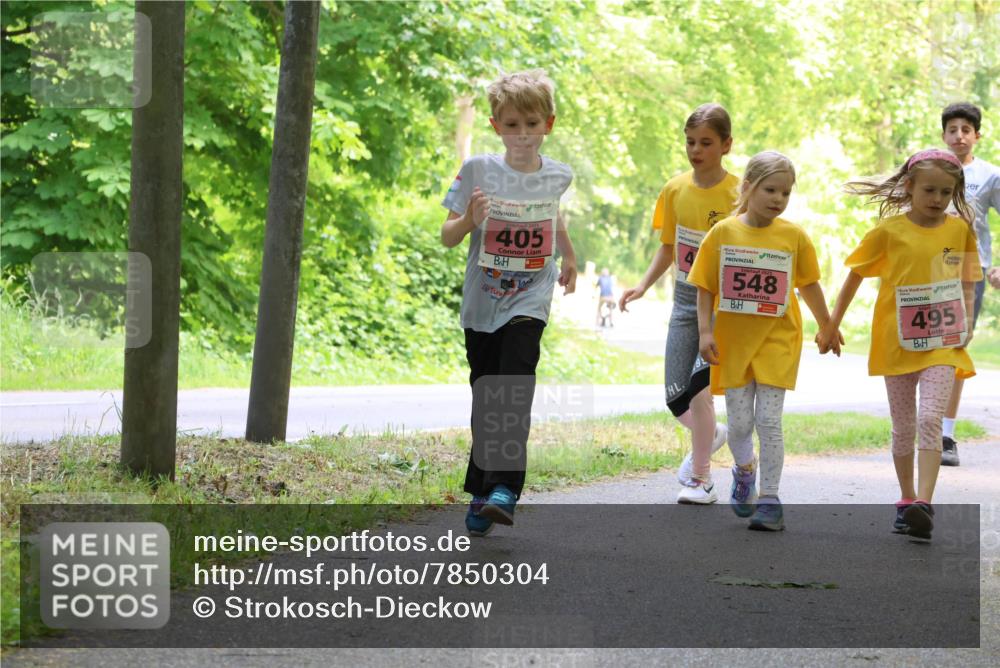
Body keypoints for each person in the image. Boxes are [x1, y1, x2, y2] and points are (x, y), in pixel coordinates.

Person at [440, 69, 577, 537]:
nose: (523, 134)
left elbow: (552, 216)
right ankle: (481, 491)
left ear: (549, 124)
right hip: (484, 300)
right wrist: (469, 220)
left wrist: (571, 258)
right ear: (497, 125)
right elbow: (447, 235)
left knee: (513, 388)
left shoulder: (559, 174)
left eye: (532, 123)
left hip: (531, 295)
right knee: (486, 395)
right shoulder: (479, 169)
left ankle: (504, 490)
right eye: (512, 124)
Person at [818, 149, 981, 541]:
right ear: (909, 187)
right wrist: (831, 324)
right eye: (929, 190)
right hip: (896, 341)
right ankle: (907, 501)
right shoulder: (889, 232)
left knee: (930, 420)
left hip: (943, 342)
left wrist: (967, 321)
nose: (938, 199)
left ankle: (924, 502)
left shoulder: (959, 230)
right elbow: (854, 277)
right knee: (903, 426)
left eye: (946, 192)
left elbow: (968, 278)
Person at [689, 151, 839, 530]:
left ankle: (770, 498)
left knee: (769, 422)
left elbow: (809, 285)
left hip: (779, 339)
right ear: (748, 187)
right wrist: (705, 331)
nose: (778, 199)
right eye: (770, 189)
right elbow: (705, 286)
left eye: (786, 192)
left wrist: (828, 326)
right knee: (740, 426)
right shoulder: (722, 233)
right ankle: (745, 469)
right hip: (733, 342)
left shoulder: (794, 236)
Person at [618, 103, 736, 504]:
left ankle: (701, 479)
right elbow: (668, 247)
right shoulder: (674, 189)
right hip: (685, 299)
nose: (696, 150)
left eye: (706, 142)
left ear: (726, 145)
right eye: (690, 142)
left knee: (701, 392)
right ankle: (711, 434)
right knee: (675, 394)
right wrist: (642, 286)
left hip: (723, 302)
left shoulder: (741, 192)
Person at [939, 102, 1000, 466]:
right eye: (952, 130)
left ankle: (946, 434)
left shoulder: (990, 176)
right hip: (929, 272)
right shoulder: (929, 168)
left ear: (977, 135)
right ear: (944, 135)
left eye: (966, 129)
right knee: (925, 347)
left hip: (970, 273)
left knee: (956, 345)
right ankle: (926, 423)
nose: (959, 136)